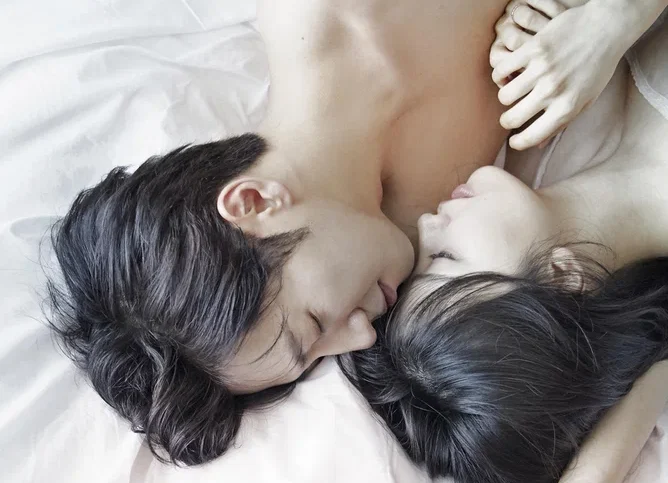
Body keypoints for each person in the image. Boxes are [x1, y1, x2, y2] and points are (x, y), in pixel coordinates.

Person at [46, 0, 518, 466]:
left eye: (316, 323)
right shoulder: (442, 237)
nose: (362, 337)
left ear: (253, 202)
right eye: (315, 358)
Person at [346, 2, 668, 483]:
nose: (428, 225)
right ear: (562, 276)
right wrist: (612, 20)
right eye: (446, 257)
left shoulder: (550, 128)